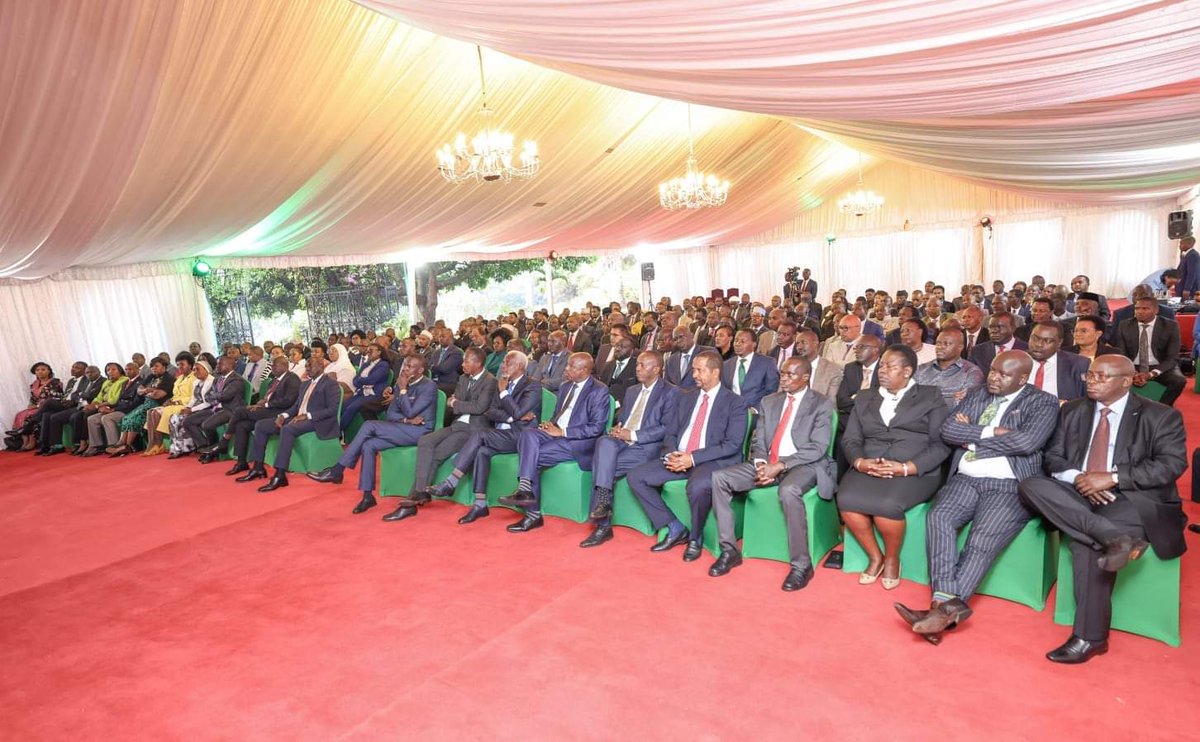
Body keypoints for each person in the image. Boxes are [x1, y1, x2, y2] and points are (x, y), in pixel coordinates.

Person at [1018, 355, 1187, 663]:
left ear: (1125, 381)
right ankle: (1115, 539)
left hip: (1131, 498)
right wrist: (1081, 478)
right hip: (1076, 492)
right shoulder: (1072, 410)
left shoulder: (1160, 415)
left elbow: (1171, 465)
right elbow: (1052, 458)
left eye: (1102, 376)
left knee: (1087, 547)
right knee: (1030, 484)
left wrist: (1111, 478)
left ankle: (1090, 638)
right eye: (1090, 375)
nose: (1092, 381)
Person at [895, 351, 1059, 644]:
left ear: (1023, 378)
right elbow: (949, 430)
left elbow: (1027, 442)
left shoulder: (1042, 402)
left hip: (1009, 484)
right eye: (993, 370)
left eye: (1003, 374)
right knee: (939, 517)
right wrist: (992, 431)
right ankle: (943, 611)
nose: (993, 377)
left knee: (981, 541)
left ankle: (938, 613)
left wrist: (973, 440)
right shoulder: (978, 392)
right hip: (966, 478)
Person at [709, 357, 837, 590]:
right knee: (720, 478)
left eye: (790, 375)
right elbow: (758, 440)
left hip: (803, 464)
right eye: (782, 373)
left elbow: (817, 448)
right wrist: (761, 464)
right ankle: (730, 550)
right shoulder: (769, 401)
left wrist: (779, 466)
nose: (784, 378)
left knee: (789, 490)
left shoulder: (821, 403)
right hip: (768, 462)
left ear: (806, 377)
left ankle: (801, 565)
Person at [838, 345, 951, 589]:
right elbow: (851, 439)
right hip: (870, 464)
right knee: (846, 499)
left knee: (886, 506)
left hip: (914, 469)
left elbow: (941, 444)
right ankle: (875, 556)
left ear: (908, 371)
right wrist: (860, 462)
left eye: (890, 366)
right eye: (882, 365)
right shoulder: (866, 396)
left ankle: (892, 558)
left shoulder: (930, 396)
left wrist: (906, 468)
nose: (882, 370)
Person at [627, 351, 749, 562]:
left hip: (710, 461)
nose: (694, 374)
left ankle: (695, 537)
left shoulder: (734, 403)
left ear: (715, 372)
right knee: (636, 477)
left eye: (699, 370)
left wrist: (692, 459)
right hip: (679, 457)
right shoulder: (686, 397)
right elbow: (671, 432)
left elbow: (732, 444)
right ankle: (674, 527)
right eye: (693, 369)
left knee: (698, 486)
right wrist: (671, 455)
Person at [382, 347, 502, 520]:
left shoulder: (490, 380)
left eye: (466, 361)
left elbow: (479, 407)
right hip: (457, 424)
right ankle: (421, 492)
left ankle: (413, 497)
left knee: (437, 454)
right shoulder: (462, 378)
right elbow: (454, 402)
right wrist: (458, 403)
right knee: (426, 441)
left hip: (474, 430)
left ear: (477, 363)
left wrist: (457, 403)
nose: (462, 365)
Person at [307, 355, 437, 513]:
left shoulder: (428, 386)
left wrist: (402, 390)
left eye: (410, 366)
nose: (404, 368)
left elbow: (411, 411)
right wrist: (406, 420)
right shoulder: (402, 383)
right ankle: (368, 496)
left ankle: (337, 470)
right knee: (369, 445)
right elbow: (391, 414)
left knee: (369, 425)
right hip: (404, 428)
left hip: (421, 432)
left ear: (420, 370)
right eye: (405, 365)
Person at [497, 353, 612, 532]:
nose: (566, 369)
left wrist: (563, 432)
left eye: (571, 366)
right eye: (567, 365)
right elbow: (559, 415)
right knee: (528, 435)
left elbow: (596, 428)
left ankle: (532, 513)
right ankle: (525, 488)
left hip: (578, 440)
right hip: (556, 433)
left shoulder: (599, 390)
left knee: (532, 455)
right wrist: (550, 424)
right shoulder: (566, 386)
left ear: (584, 370)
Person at [580, 350, 679, 548]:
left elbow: (667, 428)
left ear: (657, 369)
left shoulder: (671, 392)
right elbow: (625, 418)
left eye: (643, 365)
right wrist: (619, 427)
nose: (637, 368)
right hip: (622, 441)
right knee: (603, 442)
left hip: (647, 446)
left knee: (601, 466)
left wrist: (632, 435)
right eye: (638, 364)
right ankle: (603, 512)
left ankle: (603, 525)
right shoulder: (632, 390)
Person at [238, 356, 339, 491]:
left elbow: (332, 410)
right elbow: (296, 406)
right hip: (299, 418)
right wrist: (282, 415)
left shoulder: (330, 383)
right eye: (306, 366)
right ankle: (258, 467)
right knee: (261, 425)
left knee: (288, 429)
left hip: (318, 421)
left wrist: (307, 415)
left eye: (310, 366)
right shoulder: (305, 384)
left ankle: (280, 475)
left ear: (321, 366)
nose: (307, 369)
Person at [221, 356, 301, 471]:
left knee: (239, 411)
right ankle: (241, 462)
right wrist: (262, 402)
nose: (272, 368)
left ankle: (225, 439)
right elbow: (269, 397)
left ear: (284, 366)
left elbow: (289, 400)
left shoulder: (292, 378)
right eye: (272, 365)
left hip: (280, 412)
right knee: (241, 425)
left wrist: (266, 405)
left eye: (275, 365)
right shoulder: (275, 379)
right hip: (268, 409)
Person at [1111, 297, 1186, 406]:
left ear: (1156, 310)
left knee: (1179, 380)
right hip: (1133, 365)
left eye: (1145, 308)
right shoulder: (1124, 325)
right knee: (1110, 376)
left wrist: (1151, 374)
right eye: (1137, 308)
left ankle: (1162, 407)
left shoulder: (1170, 326)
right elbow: (1122, 354)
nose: (1140, 311)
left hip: (1160, 365)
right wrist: (1133, 373)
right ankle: (1121, 407)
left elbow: (1172, 358)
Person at [108, 358, 174, 457]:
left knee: (134, 419)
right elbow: (139, 390)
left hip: (157, 404)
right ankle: (121, 443)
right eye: (152, 366)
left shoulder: (168, 378)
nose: (153, 369)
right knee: (127, 417)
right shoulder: (151, 376)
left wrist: (146, 391)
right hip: (146, 403)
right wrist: (149, 390)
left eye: (156, 366)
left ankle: (127, 446)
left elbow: (158, 395)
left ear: (164, 367)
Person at [180, 356, 247, 453]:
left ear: (229, 365)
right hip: (216, 408)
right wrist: (214, 396)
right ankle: (203, 445)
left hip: (230, 410)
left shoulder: (236, 379)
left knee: (206, 425)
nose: (217, 366)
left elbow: (224, 396)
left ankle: (214, 447)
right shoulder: (218, 379)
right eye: (217, 364)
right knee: (188, 421)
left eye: (220, 364)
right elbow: (210, 395)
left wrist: (213, 396)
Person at [37, 364, 104, 455]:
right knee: (48, 415)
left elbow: (90, 395)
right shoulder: (73, 381)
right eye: (88, 373)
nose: (89, 374)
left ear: (99, 372)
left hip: (80, 405)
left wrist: (79, 397)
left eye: (77, 367)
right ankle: (51, 445)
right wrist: (79, 396)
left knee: (50, 403)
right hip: (72, 403)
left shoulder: (98, 380)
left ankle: (32, 420)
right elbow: (75, 394)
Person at [914, 328, 985, 409]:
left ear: (960, 347)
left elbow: (965, 405)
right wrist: (951, 399)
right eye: (938, 343)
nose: (940, 347)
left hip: (951, 420)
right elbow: (909, 399)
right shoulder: (921, 369)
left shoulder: (971, 372)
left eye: (947, 344)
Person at [143, 352, 197, 456]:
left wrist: (177, 401)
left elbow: (193, 396)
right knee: (151, 411)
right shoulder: (179, 378)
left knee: (155, 412)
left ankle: (157, 444)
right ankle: (154, 443)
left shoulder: (194, 378)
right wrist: (170, 400)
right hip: (174, 404)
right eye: (178, 364)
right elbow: (175, 394)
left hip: (185, 405)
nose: (179, 367)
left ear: (190, 365)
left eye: (182, 364)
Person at [83, 363, 142, 456]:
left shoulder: (128, 381)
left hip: (126, 410)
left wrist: (108, 409)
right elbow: (101, 397)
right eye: (108, 370)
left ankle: (114, 445)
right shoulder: (115, 382)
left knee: (106, 418)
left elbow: (123, 401)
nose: (110, 372)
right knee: (92, 419)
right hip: (116, 407)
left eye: (113, 370)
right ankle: (97, 446)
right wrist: (96, 404)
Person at [165, 359, 216, 458]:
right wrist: (188, 407)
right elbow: (193, 398)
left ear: (206, 370)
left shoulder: (211, 381)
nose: (195, 372)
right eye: (194, 370)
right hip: (196, 408)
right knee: (173, 418)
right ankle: (178, 448)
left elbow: (208, 402)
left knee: (183, 420)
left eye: (198, 369)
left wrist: (191, 410)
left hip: (209, 409)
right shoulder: (196, 382)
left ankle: (197, 446)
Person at [9, 362, 65, 451]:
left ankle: (32, 441)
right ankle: (25, 442)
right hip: (37, 406)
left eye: (43, 369)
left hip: (49, 406)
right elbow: (33, 399)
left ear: (49, 371)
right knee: (20, 414)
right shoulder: (34, 385)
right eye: (37, 370)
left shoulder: (55, 382)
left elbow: (56, 397)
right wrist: (31, 404)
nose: (40, 372)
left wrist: (39, 405)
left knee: (29, 416)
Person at [721, 329, 779, 411]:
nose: (737, 344)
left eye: (742, 341)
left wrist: (756, 409)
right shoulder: (726, 365)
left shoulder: (767, 363)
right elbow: (724, 390)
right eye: (736, 340)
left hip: (756, 413)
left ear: (754, 344)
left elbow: (772, 391)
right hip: (731, 411)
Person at [338, 343, 391, 433]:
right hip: (362, 393)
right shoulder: (366, 364)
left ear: (379, 352)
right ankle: (341, 432)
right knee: (344, 406)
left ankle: (337, 432)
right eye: (368, 350)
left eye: (371, 350)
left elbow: (372, 380)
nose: (368, 352)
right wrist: (363, 380)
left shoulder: (383, 365)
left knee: (352, 407)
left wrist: (361, 380)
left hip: (375, 394)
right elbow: (355, 381)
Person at [598, 335, 640, 405]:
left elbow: (638, 391)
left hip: (625, 404)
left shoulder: (637, 367)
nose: (617, 349)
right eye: (616, 346)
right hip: (604, 402)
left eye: (622, 347)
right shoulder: (608, 365)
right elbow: (601, 386)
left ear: (631, 351)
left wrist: (617, 404)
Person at [430, 327, 464, 396]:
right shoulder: (436, 352)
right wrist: (435, 367)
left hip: (448, 383)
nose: (440, 339)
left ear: (451, 338)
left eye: (443, 336)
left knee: (429, 389)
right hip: (435, 381)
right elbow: (429, 366)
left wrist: (434, 367)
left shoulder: (456, 352)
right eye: (439, 337)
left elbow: (445, 369)